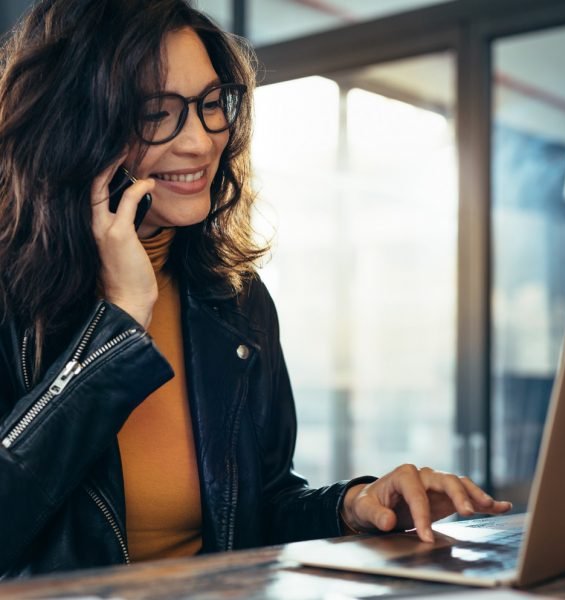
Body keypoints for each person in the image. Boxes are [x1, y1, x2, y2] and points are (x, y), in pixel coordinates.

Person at [0, 0, 511, 579]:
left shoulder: (234, 297)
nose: (199, 141)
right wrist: (117, 320)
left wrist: (354, 506)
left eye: (212, 104)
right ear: (73, 125)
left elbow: (257, 508)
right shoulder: (12, 298)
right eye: (155, 113)